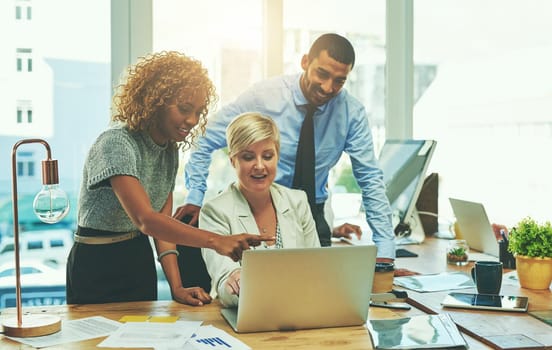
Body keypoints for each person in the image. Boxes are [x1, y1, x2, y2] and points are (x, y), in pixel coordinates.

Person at [176, 33, 409, 272]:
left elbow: (370, 179)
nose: (328, 87)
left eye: (339, 80)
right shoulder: (265, 96)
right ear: (305, 62)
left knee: (317, 291)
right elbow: (204, 139)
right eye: (322, 74)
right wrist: (195, 197)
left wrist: (385, 252)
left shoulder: (351, 113)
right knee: (249, 289)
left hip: (312, 213)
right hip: (253, 209)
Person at [66, 51, 272, 305]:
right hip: (96, 262)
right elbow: (146, 220)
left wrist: (177, 287)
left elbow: (162, 225)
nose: (192, 121)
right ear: (154, 101)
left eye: (198, 112)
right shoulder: (117, 142)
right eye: (185, 109)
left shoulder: (168, 150)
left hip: (137, 258)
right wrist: (217, 241)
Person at [200, 112, 321, 307]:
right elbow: (224, 281)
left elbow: (316, 267)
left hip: (299, 309)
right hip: (245, 312)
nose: (259, 166)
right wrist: (236, 281)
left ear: (277, 156)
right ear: (233, 161)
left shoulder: (297, 201)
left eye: (267, 156)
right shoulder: (214, 211)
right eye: (248, 157)